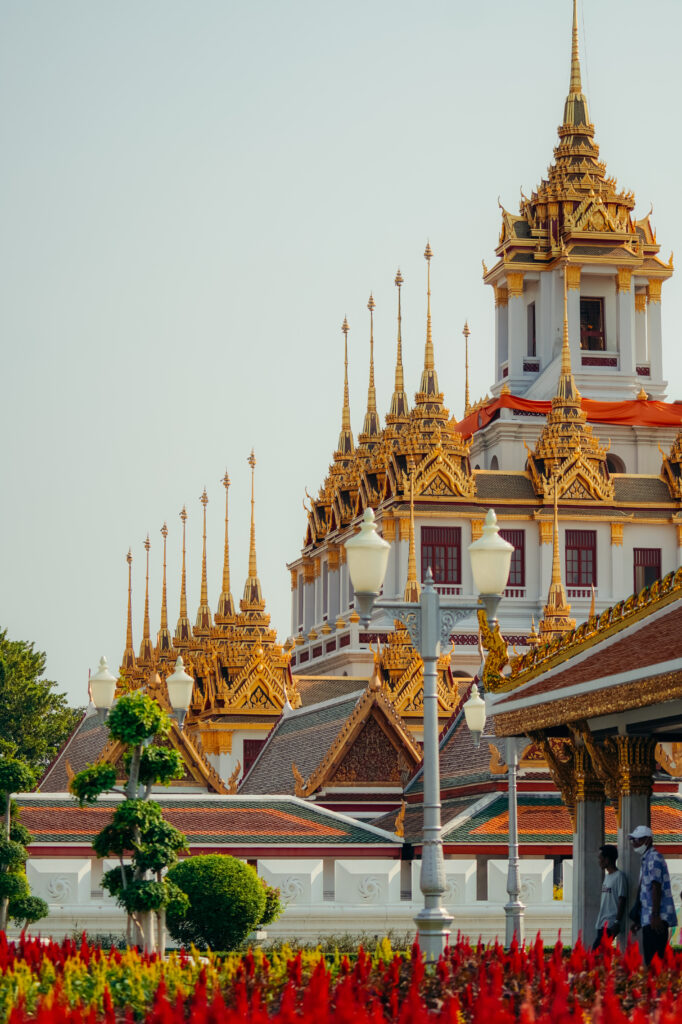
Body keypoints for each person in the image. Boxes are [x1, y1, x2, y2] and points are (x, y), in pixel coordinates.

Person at [629, 824, 677, 965]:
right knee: (650, 960)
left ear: (648, 840)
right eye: (633, 840)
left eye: (638, 840)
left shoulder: (654, 858)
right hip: (648, 918)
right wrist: (639, 919)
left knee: (655, 962)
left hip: (655, 919)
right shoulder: (646, 858)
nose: (634, 843)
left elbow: (656, 886)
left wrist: (655, 915)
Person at [593, 844, 627, 949]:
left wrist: (617, 922)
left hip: (610, 923)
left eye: (600, 858)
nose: (599, 861)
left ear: (607, 860)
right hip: (602, 922)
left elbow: (622, 899)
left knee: (597, 952)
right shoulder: (607, 877)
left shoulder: (619, 877)